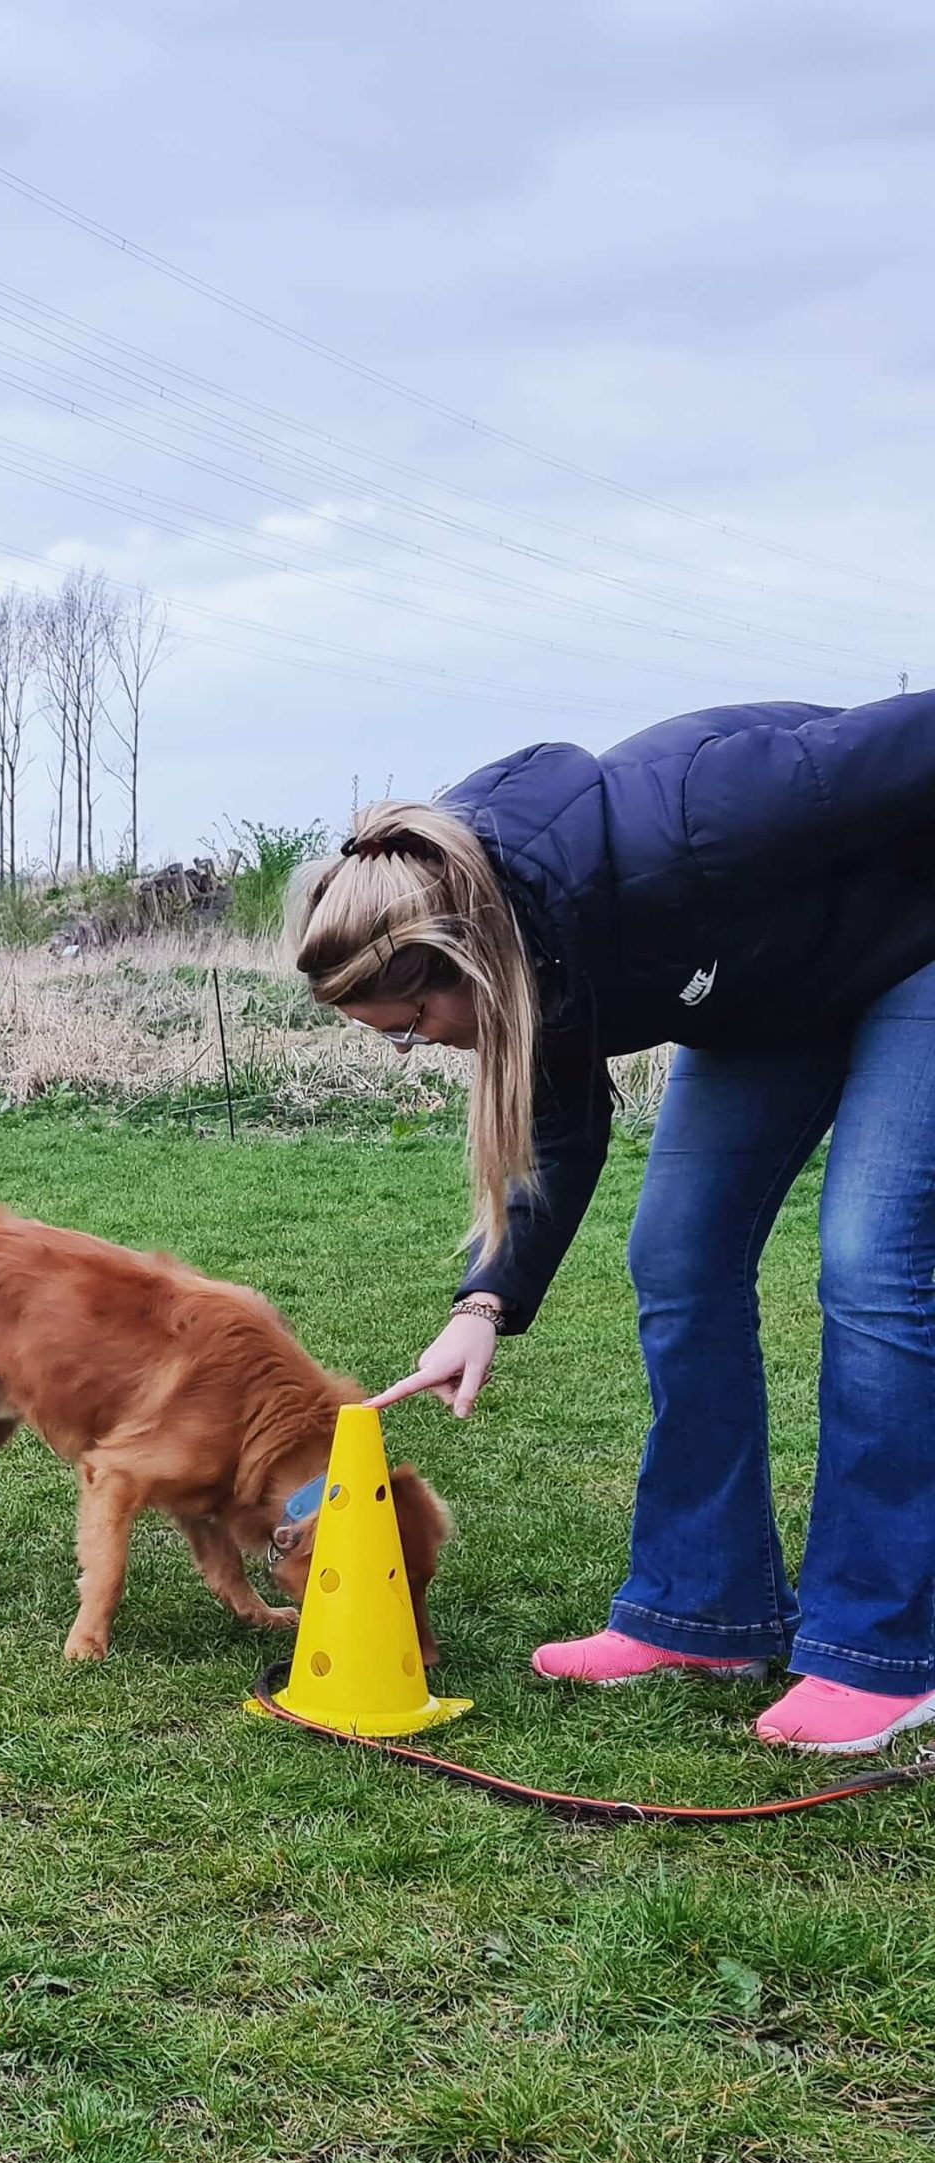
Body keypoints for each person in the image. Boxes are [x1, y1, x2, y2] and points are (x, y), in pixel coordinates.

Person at [290, 690, 935, 1755]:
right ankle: (702, 1612)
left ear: (453, 961)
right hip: (772, 999)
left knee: (871, 1259)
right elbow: (553, 1133)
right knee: (676, 1253)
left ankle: (884, 1651)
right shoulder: (528, 943)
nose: (417, 1048)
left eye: (408, 1027)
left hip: (914, 947)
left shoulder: (700, 816)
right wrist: (484, 1301)